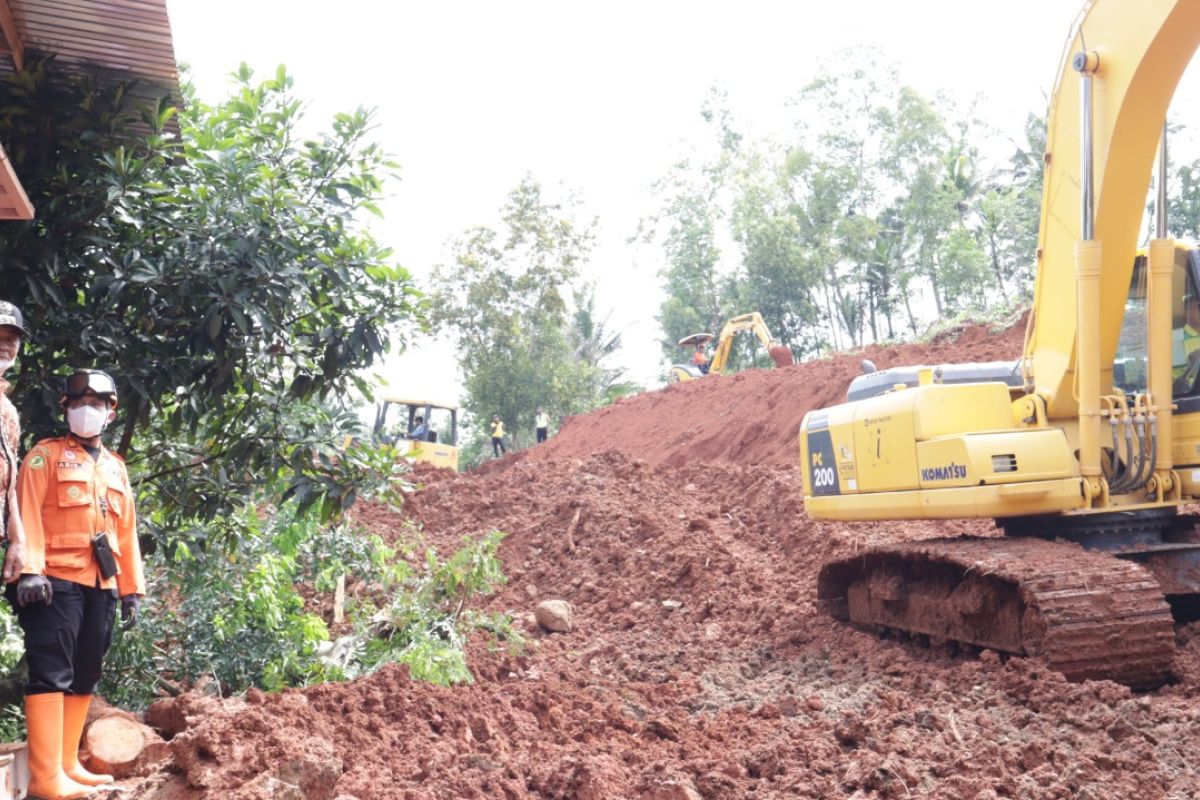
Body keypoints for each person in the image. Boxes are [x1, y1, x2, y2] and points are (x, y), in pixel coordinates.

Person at [12, 369, 145, 800]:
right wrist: (31, 569)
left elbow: (126, 532)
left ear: (111, 412)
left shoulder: (115, 467)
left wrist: (131, 588)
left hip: (101, 583)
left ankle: (68, 764)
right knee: (52, 672)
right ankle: (46, 778)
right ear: (64, 407)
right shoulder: (44, 456)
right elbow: (26, 512)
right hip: (53, 581)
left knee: (86, 672)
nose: (88, 409)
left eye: (98, 403)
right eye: (78, 402)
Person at [0, 302, 27, 584]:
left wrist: (18, 538)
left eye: (10, 338)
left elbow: (9, 484)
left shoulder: (7, 409)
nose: (3, 345)